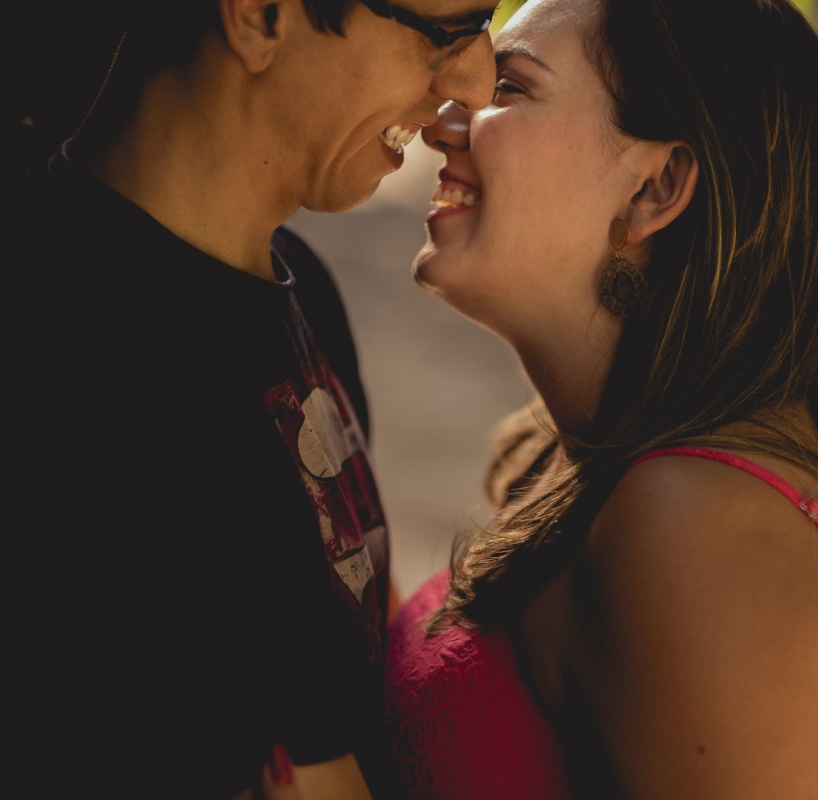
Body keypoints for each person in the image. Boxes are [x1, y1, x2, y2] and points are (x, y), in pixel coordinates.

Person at [374, 0, 818, 797]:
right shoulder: (592, 462)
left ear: (656, 188)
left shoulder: (690, 526)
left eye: (510, 86)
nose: (445, 121)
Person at [1, 1, 497, 798]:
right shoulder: (79, 376)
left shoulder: (290, 279)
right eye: (445, 31)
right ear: (261, 16)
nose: (476, 82)